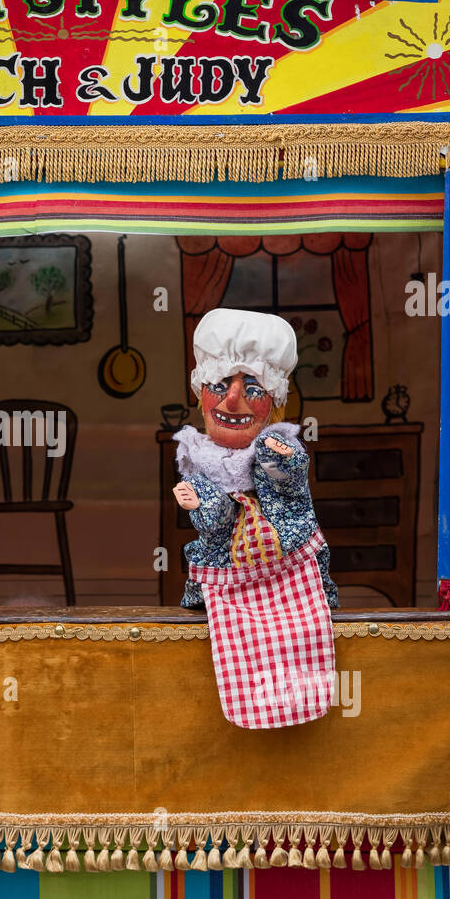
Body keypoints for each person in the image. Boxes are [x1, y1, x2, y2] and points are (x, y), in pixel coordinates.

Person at [171, 308, 338, 728]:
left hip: (289, 567)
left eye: (252, 388)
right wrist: (203, 502)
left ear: (275, 401)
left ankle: (300, 701)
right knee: (230, 645)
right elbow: (217, 523)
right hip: (227, 580)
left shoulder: (277, 446)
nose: (231, 400)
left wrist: (282, 464)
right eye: (219, 385)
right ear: (200, 392)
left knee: (297, 636)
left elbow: (291, 489)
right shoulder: (200, 460)